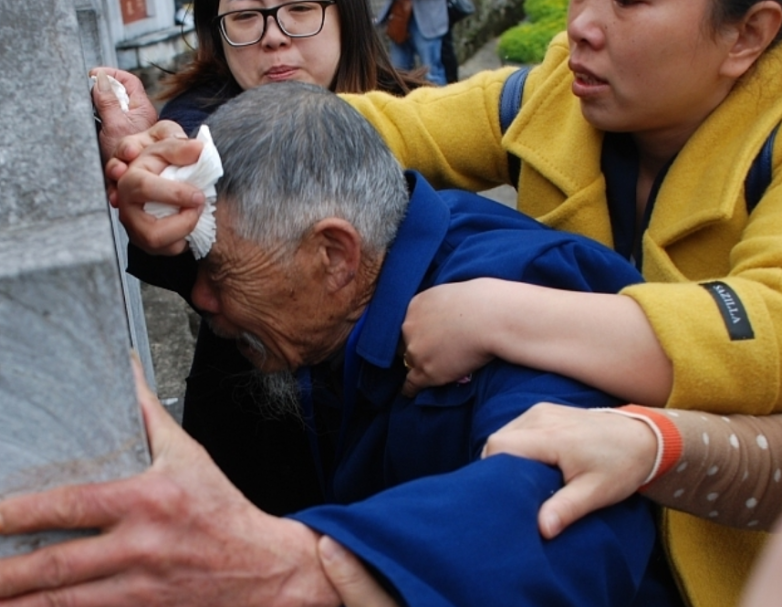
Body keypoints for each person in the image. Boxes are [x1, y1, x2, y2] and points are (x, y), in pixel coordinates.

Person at [104, 0, 782, 603]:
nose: (581, 23)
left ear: (748, 33)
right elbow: (379, 127)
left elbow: (767, 322)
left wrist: (503, 313)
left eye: (631, 1)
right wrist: (185, 153)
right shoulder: (556, 96)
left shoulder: (516, 299)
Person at [0, 81, 682, 607]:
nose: (200, 297)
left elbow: (552, 509)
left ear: (335, 256)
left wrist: (298, 569)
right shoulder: (355, 264)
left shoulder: (522, 294)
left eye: (215, 271)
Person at [94, 0, 427, 518]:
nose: (273, 37)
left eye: (298, 8)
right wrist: (150, 178)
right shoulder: (192, 138)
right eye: (245, 18)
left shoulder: (425, 122)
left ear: (348, 16)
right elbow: (175, 218)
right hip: (253, 442)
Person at [379, 0, 449, 85]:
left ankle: (440, 98)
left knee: (432, 74)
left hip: (428, 19)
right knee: (398, 75)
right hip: (400, 16)